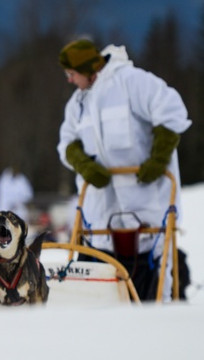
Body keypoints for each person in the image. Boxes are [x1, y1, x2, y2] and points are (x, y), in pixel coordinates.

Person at [55, 39, 192, 301]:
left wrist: (157, 161)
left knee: (154, 290)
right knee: (101, 293)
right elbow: (66, 143)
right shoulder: (77, 104)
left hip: (148, 208)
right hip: (101, 216)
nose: (70, 80)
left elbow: (172, 111)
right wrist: (85, 165)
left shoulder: (132, 82)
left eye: (71, 74)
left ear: (87, 69)